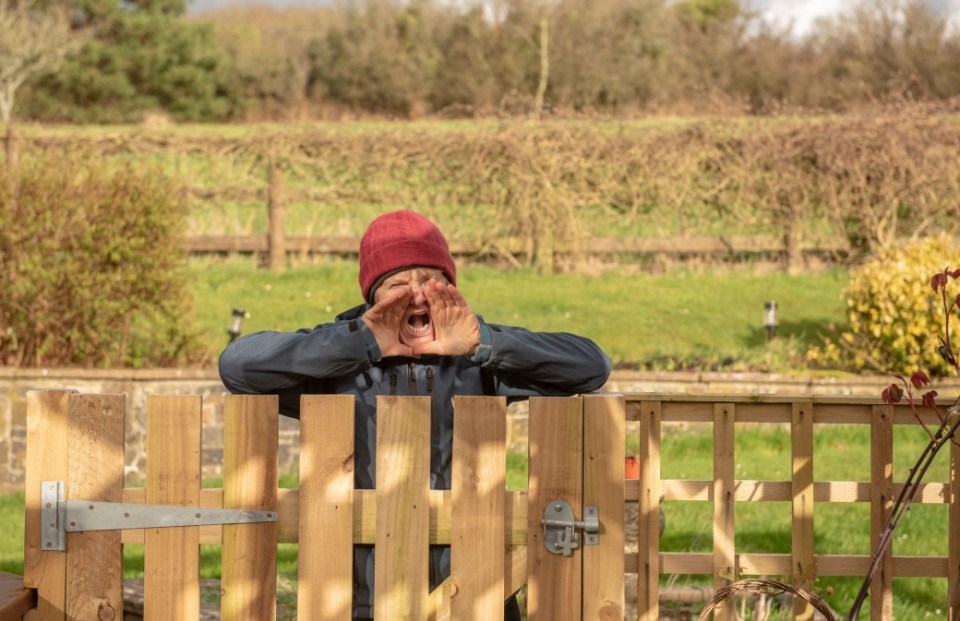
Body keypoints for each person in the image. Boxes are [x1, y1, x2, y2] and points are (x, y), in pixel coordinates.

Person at [218, 209, 612, 620]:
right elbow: (237, 367)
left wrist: (483, 342)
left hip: (474, 594)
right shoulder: (335, 357)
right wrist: (362, 344)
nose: (418, 295)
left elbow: (590, 366)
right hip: (360, 600)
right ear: (372, 297)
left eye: (431, 280)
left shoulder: (475, 355)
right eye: (398, 285)